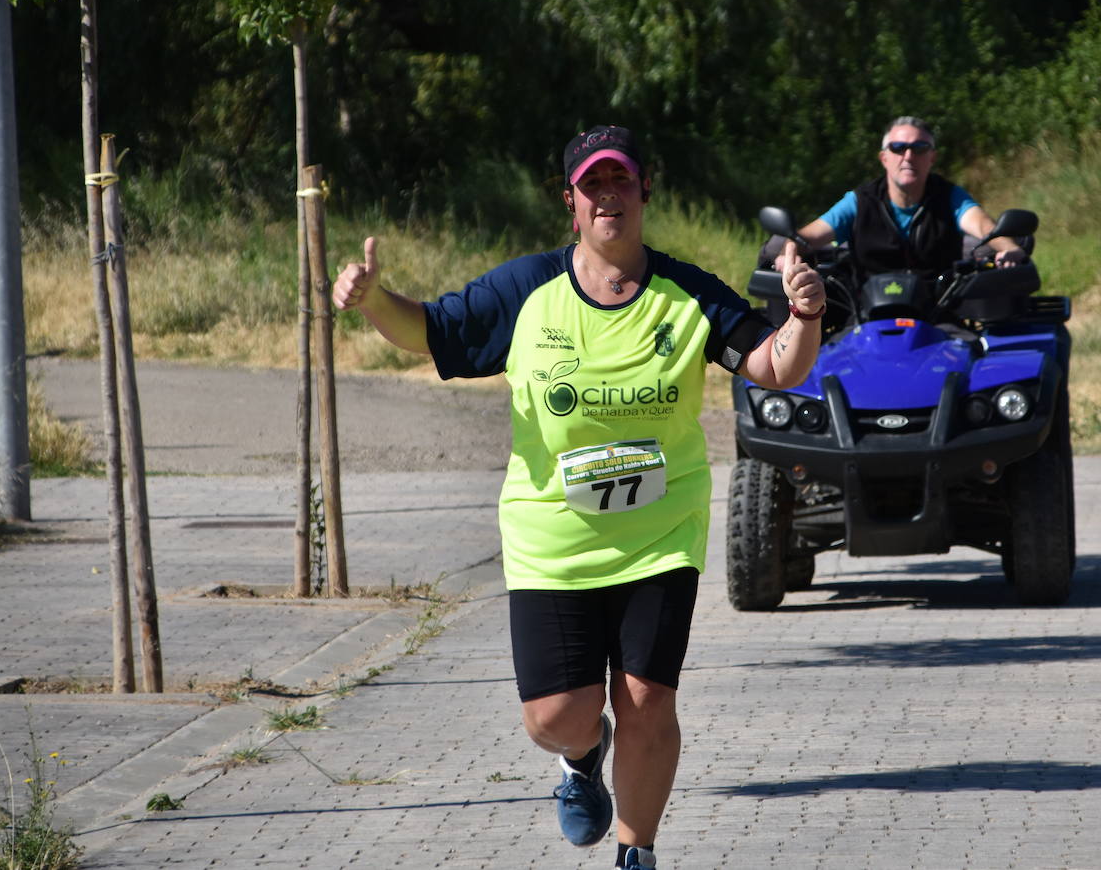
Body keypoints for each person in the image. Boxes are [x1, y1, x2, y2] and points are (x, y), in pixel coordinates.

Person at [332, 125, 825, 870]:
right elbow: (432, 331)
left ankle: (637, 852)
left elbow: (772, 367)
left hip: (660, 532)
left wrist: (805, 315)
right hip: (551, 540)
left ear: (643, 192)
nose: (608, 198)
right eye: (592, 185)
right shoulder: (525, 291)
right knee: (556, 717)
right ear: (570, 202)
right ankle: (579, 759)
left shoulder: (685, 292)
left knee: (648, 699)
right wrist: (373, 302)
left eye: (620, 182)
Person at [795, 115, 1025, 275]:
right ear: (884, 158)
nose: (908, 156)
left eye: (919, 148)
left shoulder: (950, 197)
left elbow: (984, 227)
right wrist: (789, 251)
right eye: (898, 148)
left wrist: (1009, 247)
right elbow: (809, 237)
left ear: (932, 157)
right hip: (864, 322)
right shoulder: (860, 201)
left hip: (940, 320)